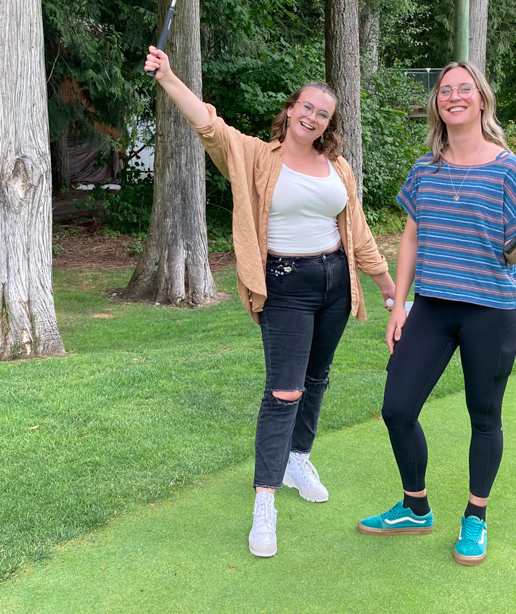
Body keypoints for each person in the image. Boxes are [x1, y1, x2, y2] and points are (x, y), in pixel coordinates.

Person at [144, 46, 396, 559]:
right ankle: (265, 502)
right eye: (306, 107)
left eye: (322, 114)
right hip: (284, 284)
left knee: (317, 379)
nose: (312, 117)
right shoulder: (258, 156)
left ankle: (298, 458)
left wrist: (387, 284)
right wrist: (169, 77)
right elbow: (209, 126)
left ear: (329, 124)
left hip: (334, 282)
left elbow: (358, 231)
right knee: (284, 392)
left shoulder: (338, 167)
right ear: (290, 109)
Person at [356, 61, 516, 566]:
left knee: (484, 416)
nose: (454, 96)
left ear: (482, 100)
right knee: (397, 408)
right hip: (431, 306)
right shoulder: (427, 167)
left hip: (490, 310)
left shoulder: (508, 167)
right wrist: (398, 305)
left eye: (464, 89)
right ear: (437, 104)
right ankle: (415, 507)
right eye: (445, 91)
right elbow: (410, 235)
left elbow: (512, 255)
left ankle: (475, 517)